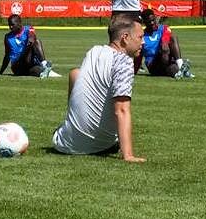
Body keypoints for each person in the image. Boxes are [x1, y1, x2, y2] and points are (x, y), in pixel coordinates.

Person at [52, 14, 145, 161]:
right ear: (125, 38)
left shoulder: (94, 51)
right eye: (140, 37)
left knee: (75, 73)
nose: (143, 42)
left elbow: (73, 75)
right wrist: (128, 155)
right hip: (99, 146)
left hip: (64, 144)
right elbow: (121, 110)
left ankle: (73, 127)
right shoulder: (124, 62)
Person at [0, 5, 53, 77]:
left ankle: (44, 66)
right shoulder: (7, 37)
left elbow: (32, 36)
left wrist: (30, 38)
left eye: (12, 25)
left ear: (19, 23)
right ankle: (45, 64)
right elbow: (7, 55)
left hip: (28, 64)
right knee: (34, 43)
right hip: (17, 66)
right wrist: (1, 72)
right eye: (9, 25)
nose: (10, 27)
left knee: (39, 71)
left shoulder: (28, 29)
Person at [136, 8, 190, 78]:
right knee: (163, 49)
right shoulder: (142, 36)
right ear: (144, 22)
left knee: (173, 68)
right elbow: (138, 56)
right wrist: (134, 70)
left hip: (165, 59)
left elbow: (167, 40)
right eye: (149, 22)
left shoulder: (163, 28)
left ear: (155, 18)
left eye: (153, 20)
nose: (152, 23)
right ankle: (181, 69)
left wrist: (164, 43)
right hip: (153, 65)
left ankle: (180, 68)